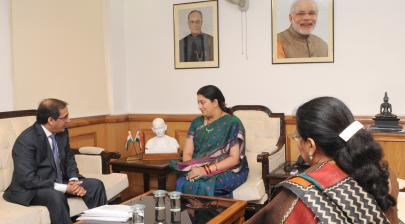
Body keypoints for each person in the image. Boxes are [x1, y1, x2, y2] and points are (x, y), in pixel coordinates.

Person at [246, 97, 399, 224]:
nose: (297, 143)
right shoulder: (378, 168)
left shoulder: (299, 194)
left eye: (297, 138)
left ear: (310, 145)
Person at [3, 99, 107, 224]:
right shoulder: (26, 141)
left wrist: (73, 180)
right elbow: (28, 180)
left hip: (58, 182)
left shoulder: (62, 132)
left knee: (95, 186)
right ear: (51, 120)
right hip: (32, 188)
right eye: (65, 117)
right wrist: (65, 188)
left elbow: (69, 158)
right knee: (56, 196)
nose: (69, 120)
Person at [170, 85, 248, 198]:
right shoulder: (196, 123)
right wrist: (194, 169)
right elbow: (187, 153)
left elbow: (234, 159)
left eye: (202, 102)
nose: (199, 106)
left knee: (209, 185)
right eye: (198, 103)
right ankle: (188, 216)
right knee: (181, 183)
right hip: (197, 167)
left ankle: (221, 216)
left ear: (215, 102)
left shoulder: (232, 123)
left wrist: (205, 170)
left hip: (228, 169)